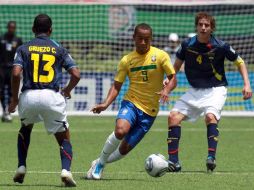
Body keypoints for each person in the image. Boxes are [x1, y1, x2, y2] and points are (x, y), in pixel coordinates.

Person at [86, 23, 177, 180]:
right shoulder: (126, 60)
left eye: (146, 39)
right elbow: (116, 86)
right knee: (120, 131)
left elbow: (173, 78)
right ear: (133, 38)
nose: (143, 42)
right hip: (131, 103)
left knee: (124, 149)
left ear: (151, 39)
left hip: (150, 112)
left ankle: (99, 161)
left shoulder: (161, 56)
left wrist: (166, 89)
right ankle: (100, 165)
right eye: (140, 39)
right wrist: (106, 104)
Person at [165, 12, 252, 173]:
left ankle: (211, 157)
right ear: (196, 26)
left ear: (212, 28)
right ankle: (173, 162)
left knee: (210, 117)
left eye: (207, 25)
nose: (203, 28)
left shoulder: (221, 45)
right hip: (194, 90)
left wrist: (247, 84)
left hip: (216, 89)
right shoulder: (186, 45)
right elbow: (175, 67)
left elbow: (240, 61)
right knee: (173, 117)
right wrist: (168, 83)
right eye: (200, 25)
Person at [8, 14, 80, 187]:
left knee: (25, 129)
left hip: (29, 96)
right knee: (64, 137)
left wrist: (14, 99)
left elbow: (16, 73)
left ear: (33, 29)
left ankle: (21, 166)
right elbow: (76, 74)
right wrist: (67, 90)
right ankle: (65, 170)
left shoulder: (23, 48)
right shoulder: (58, 48)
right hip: (51, 96)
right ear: (50, 30)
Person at [0, 21, 22, 122]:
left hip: (13, 69)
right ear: (7, 27)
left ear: (15, 28)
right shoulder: (2, 39)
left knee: (10, 90)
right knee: (1, 90)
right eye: (10, 27)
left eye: (13, 28)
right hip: (2, 68)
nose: (11, 29)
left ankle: (8, 111)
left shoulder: (18, 40)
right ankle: (4, 110)